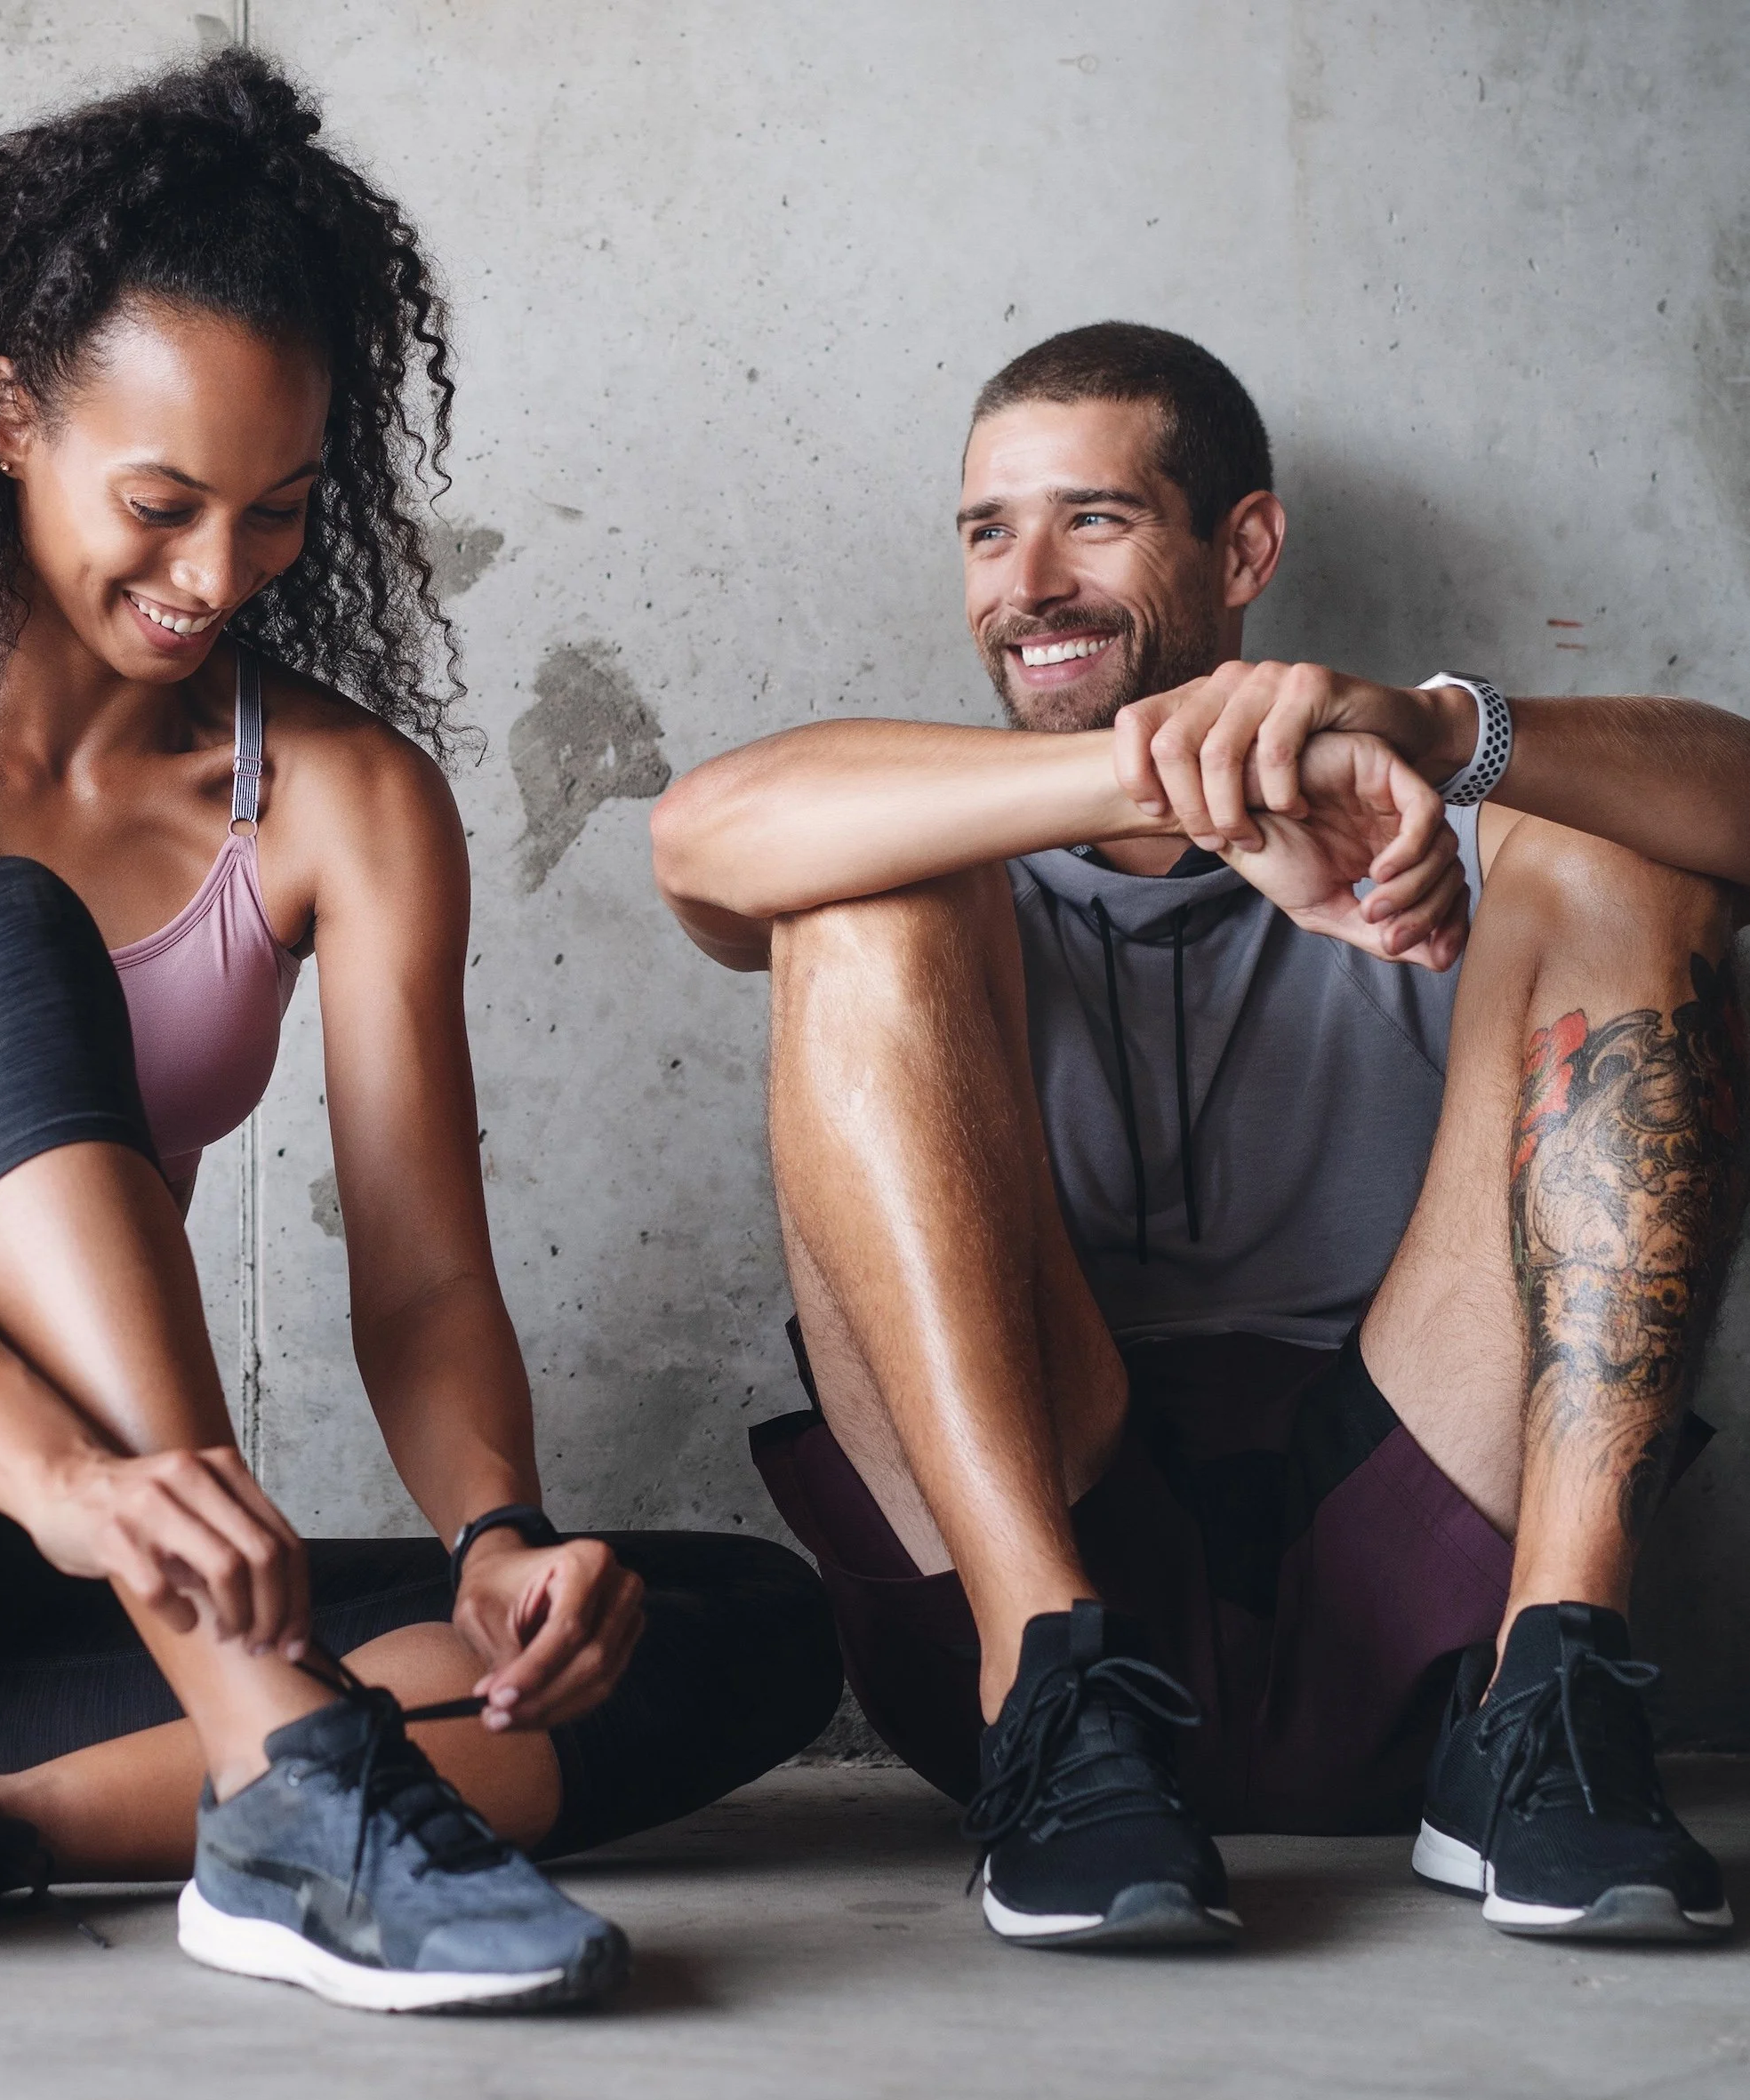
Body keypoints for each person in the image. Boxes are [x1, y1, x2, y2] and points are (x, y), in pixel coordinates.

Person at [0, 52, 839, 2015]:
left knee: (733, 1622)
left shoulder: (344, 803)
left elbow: (425, 1275)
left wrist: (502, 1532)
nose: (212, 580)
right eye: (163, 504)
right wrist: (67, 1482)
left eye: (277, 516)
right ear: (12, 414)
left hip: (42, 1611)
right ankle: (287, 1781)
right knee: (1, 931)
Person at [651, 320, 1750, 1952]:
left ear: (1244, 546)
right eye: (985, 531)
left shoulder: (1413, 811)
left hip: (1412, 1577)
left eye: (1091, 518)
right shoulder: (938, 827)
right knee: (859, 905)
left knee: (1623, 860)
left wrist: (1432, 735)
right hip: (1036, 1570)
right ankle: (1053, 1684)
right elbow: (702, 838)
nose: (1026, 579)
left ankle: (1555, 1687)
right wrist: (1162, 781)